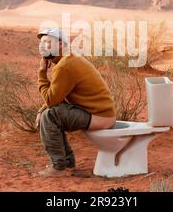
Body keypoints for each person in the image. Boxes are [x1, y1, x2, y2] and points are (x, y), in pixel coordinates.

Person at [35, 28, 116, 177]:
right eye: (41, 43)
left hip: (100, 117)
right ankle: (68, 164)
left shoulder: (65, 65)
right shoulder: (68, 59)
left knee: (51, 116)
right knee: (51, 112)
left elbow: (51, 100)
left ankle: (59, 167)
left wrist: (41, 73)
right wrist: (41, 110)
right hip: (101, 113)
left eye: (47, 42)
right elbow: (57, 95)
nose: (42, 46)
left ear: (60, 44)